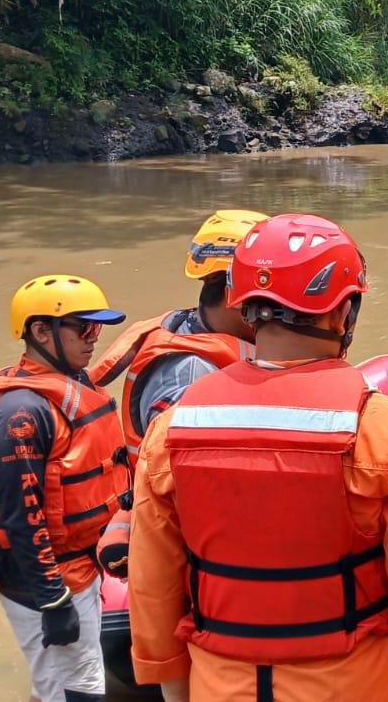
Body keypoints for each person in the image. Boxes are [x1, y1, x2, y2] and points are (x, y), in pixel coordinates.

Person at [128, 214, 388, 702]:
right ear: (343, 313)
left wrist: (177, 688)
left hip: (220, 684)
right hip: (350, 683)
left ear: (246, 311)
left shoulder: (172, 429)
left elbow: (152, 584)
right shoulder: (380, 425)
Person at [0, 275, 128, 702]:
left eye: (97, 329)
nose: (93, 338)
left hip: (76, 569)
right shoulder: (20, 413)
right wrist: (52, 601)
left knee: (68, 682)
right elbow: (20, 515)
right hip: (48, 578)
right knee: (73, 688)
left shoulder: (69, 386)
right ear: (40, 332)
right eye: (84, 328)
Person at [87, 209, 266, 577]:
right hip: (192, 550)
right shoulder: (189, 374)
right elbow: (193, 488)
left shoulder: (206, 334)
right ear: (236, 295)